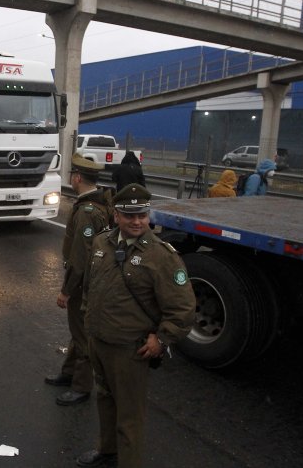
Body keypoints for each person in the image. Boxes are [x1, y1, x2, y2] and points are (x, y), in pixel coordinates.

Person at [77, 184, 195, 468]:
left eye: (142, 214)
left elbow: (183, 308)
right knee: (105, 400)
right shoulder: (102, 243)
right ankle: (107, 451)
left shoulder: (162, 256)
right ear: (116, 215)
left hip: (130, 350)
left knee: (129, 416)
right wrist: (86, 317)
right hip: (99, 340)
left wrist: (162, 340)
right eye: (129, 215)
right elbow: (90, 286)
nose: (137, 221)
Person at [45, 154, 111, 406]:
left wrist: (66, 290)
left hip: (85, 284)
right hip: (90, 280)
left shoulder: (86, 211)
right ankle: (69, 372)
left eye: (72, 175)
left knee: (82, 335)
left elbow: (80, 258)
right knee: (77, 330)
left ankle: (81, 386)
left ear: (78, 178)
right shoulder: (96, 204)